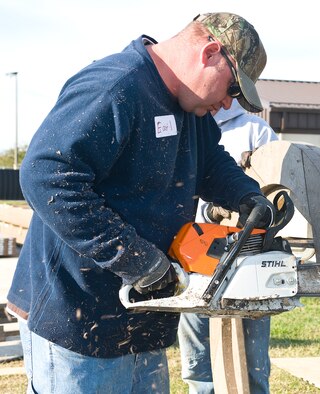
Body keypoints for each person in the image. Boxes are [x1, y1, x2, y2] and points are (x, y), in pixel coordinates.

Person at [6, 12, 275, 393]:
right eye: (232, 88)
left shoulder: (188, 107)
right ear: (210, 52)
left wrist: (247, 196)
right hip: (77, 316)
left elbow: (210, 161)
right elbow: (46, 175)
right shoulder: (117, 86)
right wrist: (136, 260)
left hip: (140, 314)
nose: (227, 104)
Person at [178, 99, 278, 394]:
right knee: (199, 364)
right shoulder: (187, 123)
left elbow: (272, 188)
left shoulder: (255, 131)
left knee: (252, 366)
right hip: (194, 257)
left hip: (246, 264)